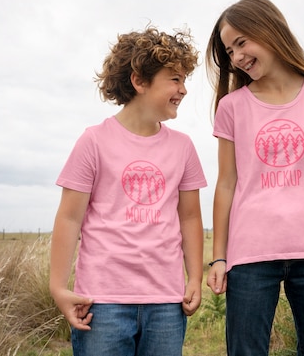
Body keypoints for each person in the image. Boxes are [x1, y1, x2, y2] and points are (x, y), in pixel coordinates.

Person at [205, 0, 304, 356]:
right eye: (230, 51)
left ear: (271, 30)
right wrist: (219, 257)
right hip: (250, 254)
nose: (237, 57)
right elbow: (226, 183)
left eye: (242, 42)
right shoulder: (232, 107)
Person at [49, 25, 206, 356]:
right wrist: (57, 288)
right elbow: (69, 218)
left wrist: (194, 278)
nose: (184, 89)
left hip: (166, 300)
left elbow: (190, 217)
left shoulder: (183, 147)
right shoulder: (93, 141)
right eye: (175, 79)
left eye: (184, 79)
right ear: (139, 81)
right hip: (102, 302)